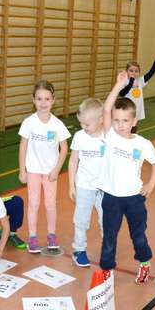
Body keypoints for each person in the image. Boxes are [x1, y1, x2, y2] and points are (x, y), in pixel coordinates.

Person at [98, 72, 155, 285]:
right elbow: (106, 108)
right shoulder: (111, 137)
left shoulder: (142, 144)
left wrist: (151, 183)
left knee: (138, 235)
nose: (120, 125)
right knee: (109, 236)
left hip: (134, 198)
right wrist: (118, 85)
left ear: (134, 121)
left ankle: (144, 262)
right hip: (111, 197)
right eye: (116, 120)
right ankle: (107, 268)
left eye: (125, 121)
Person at [18, 80, 70, 253]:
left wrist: (56, 169)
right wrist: (22, 170)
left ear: (53, 100)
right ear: (33, 100)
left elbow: (64, 148)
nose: (43, 103)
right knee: (33, 203)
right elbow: (23, 146)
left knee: (50, 204)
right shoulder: (29, 122)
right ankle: (32, 237)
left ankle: (51, 235)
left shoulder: (57, 124)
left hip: (50, 173)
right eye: (39, 99)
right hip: (33, 171)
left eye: (47, 99)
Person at [68, 98, 105, 267]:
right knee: (81, 220)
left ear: (101, 120)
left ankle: (107, 248)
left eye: (87, 124)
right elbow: (73, 162)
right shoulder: (79, 137)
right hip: (84, 185)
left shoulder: (108, 136)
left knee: (106, 220)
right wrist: (71, 185)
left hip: (104, 187)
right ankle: (79, 250)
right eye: (81, 123)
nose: (84, 127)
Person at [119, 52, 155, 123]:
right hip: (127, 112)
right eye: (131, 71)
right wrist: (131, 82)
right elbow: (122, 94)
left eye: (136, 71)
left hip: (137, 112)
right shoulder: (124, 82)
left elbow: (150, 73)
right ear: (127, 72)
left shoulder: (140, 81)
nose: (134, 73)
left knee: (135, 128)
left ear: (139, 73)